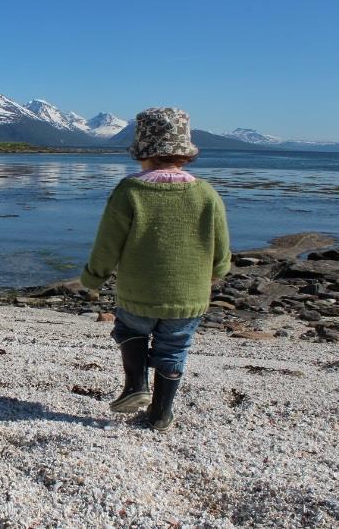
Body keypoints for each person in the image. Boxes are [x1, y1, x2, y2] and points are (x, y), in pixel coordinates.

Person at [80, 107, 231, 432]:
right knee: (174, 349)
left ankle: (136, 384)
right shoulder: (207, 194)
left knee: (128, 331)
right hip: (188, 297)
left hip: (138, 293)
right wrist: (217, 271)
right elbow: (220, 247)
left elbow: (108, 244)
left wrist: (94, 276)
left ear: (141, 151)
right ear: (186, 153)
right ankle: (161, 413)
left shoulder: (129, 191)